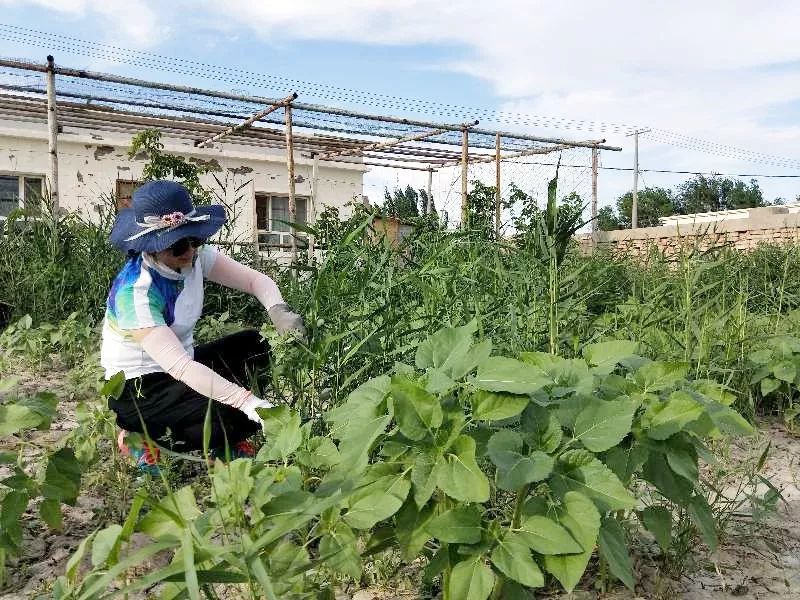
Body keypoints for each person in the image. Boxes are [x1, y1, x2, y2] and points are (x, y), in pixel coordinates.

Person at [101, 180, 304, 472]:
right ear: (151, 246)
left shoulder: (195, 258)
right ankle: (139, 436)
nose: (189, 251)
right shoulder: (136, 293)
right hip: (142, 388)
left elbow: (254, 281)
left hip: (184, 365)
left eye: (194, 240)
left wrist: (278, 311)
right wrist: (248, 403)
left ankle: (224, 434)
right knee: (236, 416)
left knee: (256, 345)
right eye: (177, 244)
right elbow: (180, 368)